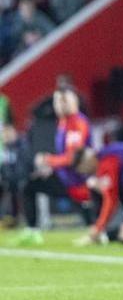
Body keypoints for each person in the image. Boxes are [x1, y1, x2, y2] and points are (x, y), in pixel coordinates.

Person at [17, 87, 92, 246]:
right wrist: (52, 168)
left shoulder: (77, 123)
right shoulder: (63, 123)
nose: (61, 105)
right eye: (58, 101)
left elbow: (73, 158)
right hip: (65, 178)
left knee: (91, 215)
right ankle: (32, 231)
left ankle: (99, 230)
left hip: (79, 181)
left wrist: (48, 160)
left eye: (65, 100)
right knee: (29, 186)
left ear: (75, 102)